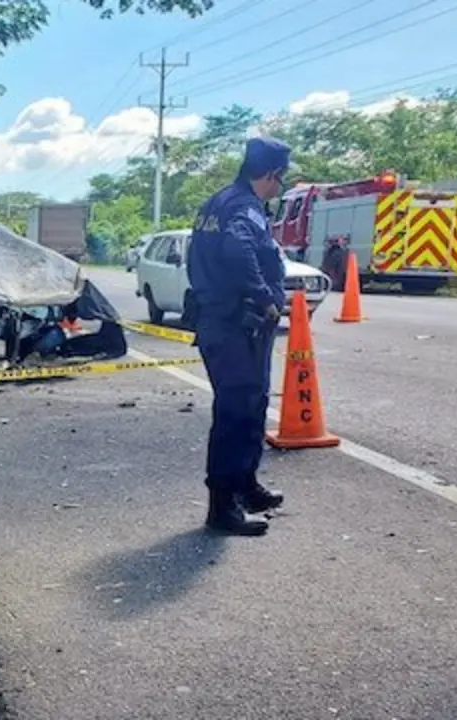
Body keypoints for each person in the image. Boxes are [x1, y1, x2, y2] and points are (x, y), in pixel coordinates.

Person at [186, 137, 291, 537]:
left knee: (252, 406)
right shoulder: (245, 207)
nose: (280, 187)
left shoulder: (217, 202)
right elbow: (237, 249)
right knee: (235, 414)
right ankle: (223, 507)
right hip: (235, 325)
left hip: (227, 323)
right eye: (281, 179)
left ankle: (246, 485)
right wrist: (264, 297)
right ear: (271, 174)